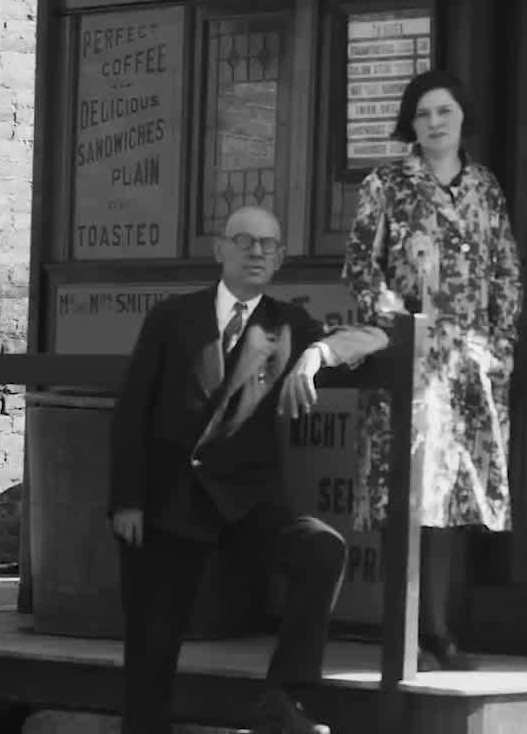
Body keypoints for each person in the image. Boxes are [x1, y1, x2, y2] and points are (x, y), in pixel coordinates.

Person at [107, 206, 351, 734]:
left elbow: (371, 338)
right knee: (153, 641)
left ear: (281, 257)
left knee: (321, 549)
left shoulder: (288, 324)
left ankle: (284, 698)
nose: (257, 251)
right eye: (244, 241)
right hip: (170, 500)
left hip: (245, 503)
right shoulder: (173, 317)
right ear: (220, 249)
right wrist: (128, 500)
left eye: (268, 244)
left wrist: (317, 356)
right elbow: (131, 411)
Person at [310, 69, 522, 671]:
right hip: (411, 362)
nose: (435, 122)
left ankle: (442, 630)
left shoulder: (484, 187)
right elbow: (360, 263)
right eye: (424, 112)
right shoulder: (388, 183)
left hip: (471, 368)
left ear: (462, 118)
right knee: (409, 495)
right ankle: (406, 631)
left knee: (456, 500)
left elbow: (505, 265)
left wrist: (500, 343)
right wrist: (398, 325)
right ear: (412, 121)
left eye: (445, 111)